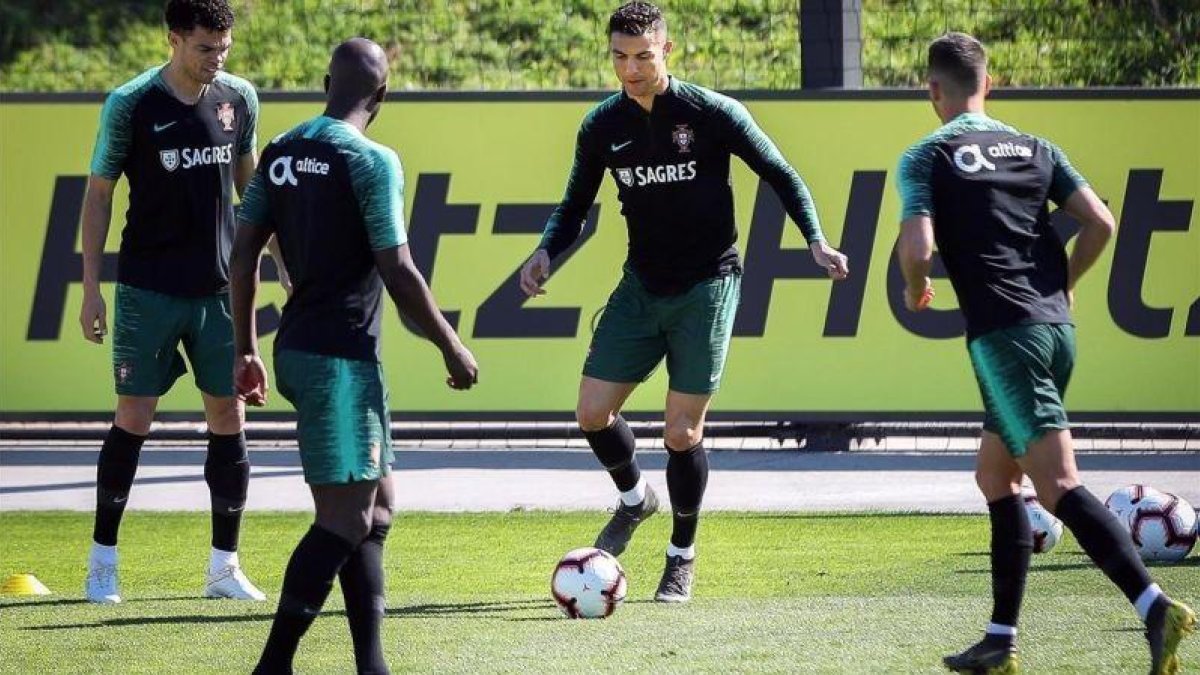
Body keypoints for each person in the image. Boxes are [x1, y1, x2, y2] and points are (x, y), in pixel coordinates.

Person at [519, 1, 848, 604]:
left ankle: (681, 555)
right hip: (641, 286)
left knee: (681, 432)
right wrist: (545, 252)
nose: (631, 69)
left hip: (708, 287)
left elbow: (781, 173)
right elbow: (574, 206)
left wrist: (816, 240)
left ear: (667, 51)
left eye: (643, 56)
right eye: (620, 57)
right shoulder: (601, 125)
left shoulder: (712, 112)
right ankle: (634, 500)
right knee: (591, 413)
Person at [894, 31, 1194, 675]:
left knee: (1058, 485)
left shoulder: (927, 155)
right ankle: (1000, 642)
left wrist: (916, 288)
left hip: (1004, 337)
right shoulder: (1036, 147)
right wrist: (1067, 284)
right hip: (1055, 330)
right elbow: (1100, 222)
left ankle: (1156, 607)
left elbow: (918, 249)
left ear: (932, 91)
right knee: (996, 477)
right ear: (990, 84)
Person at [231, 37, 478, 674]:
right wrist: (451, 345)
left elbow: (244, 253)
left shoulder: (281, 151)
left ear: (325, 84)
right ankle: (271, 667)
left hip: (302, 348)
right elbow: (398, 269)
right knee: (343, 520)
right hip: (340, 357)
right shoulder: (371, 159)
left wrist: (245, 349)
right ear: (383, 95)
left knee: (377, 511)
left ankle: (372, 666)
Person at [79, 0, 288, 604]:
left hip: (220, 291)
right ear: (173, 39)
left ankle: (224, 568)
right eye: (204, 48)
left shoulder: (239, 98)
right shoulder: (131, 104)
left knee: (229, 418)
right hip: (147, 288)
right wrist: (91, 288)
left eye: (224, 48)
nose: (216, 59)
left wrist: (282, 264)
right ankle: (102, 563)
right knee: (134, 418)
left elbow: (252, 189)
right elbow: (99, 195)